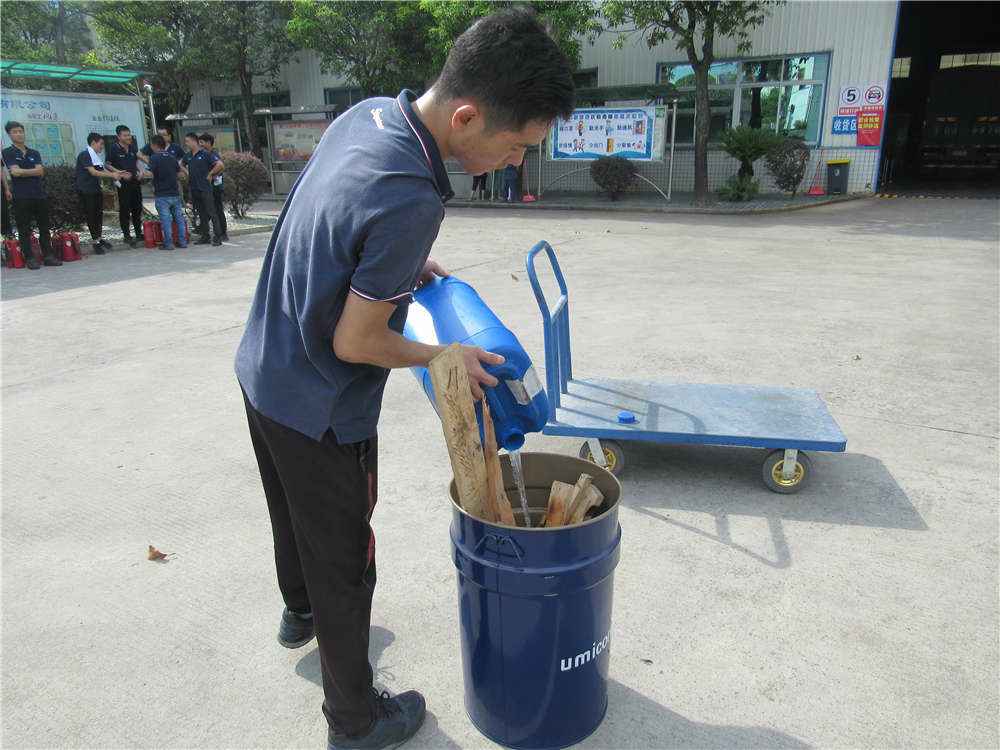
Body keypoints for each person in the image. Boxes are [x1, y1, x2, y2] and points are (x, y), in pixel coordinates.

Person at [234, 9, 573, 750]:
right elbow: (356, 340)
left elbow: (332, 217)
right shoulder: (412, 198)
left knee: (291, 514)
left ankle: (299, 612)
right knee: (345, 564)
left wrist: (396, 269)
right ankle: (354, 722)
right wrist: (440, 357)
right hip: (321, 405)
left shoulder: (371, 117)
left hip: (262, 366)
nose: (515, 162)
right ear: (467, 116)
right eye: (517, 145)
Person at [2, 121, 61, 269]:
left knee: (44, 227)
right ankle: (29, 258)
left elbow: (40, 171)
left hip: (39, 195)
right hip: (21, 197)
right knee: (24, 229)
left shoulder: (34, 153)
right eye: (15, 132)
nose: (19, 134)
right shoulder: (8, 152)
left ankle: (48, 256)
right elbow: (14, 172)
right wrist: (30, 171)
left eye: (20, 131)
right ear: (9, 135)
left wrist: (22, 171)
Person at [75, 132, 127, 255]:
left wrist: (117, 173)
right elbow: (93, 172)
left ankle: (99, 238)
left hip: (96, 189)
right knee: (91, 216)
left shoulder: (95, 156)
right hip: (86, 191)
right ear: (93, 143)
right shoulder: (85, 154)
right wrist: (112, 175)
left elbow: (102, 169)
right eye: (101, 144)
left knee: (98, 215)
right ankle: (95, 242)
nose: (102, 147)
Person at [142, 135, 188, 251]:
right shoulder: (172, 157)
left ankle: (168, 244)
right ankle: (183, 242)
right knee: (179, 219)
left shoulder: (154, 158)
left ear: (154, 145)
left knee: (166, 220)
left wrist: (142, 174)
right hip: (175, 193)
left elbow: (149, 173)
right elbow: (180, 174)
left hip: (162, 195)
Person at [105, 124, 144, 247]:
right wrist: (119, 173)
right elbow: (107, 165)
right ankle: (127, 235)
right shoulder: (113, 148)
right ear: (119, 137)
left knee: (137, 208)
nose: (128, 137)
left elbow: (137, 161)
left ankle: (139, 233)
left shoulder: (132, 147)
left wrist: (140, 171)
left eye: (129, 134)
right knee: (125, 209)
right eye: (125, 135)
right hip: (123, 184)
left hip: (135, 182)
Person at [183, 132, 223, 246]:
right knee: (201, 214)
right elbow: (180, 164)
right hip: (194, 188)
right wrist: (187, 172)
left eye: (187, 141)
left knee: (212, 212)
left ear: (194, 141)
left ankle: (218, 237)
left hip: (205, 188)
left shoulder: (205, 154)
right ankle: (205, 236)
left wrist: (211, 174)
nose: (186, 144)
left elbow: (220, 165)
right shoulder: (188, 155)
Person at [198, 132, 229, 241]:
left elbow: (220, 167)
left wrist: (211, 175)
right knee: (208, 210)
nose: (200, 145)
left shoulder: (213, 154)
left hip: (215, 187)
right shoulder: (203, 154)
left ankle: (223, 233)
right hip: (206, 187)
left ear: (208, 142)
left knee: (218, 210)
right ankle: (205, 230)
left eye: (202, 142)